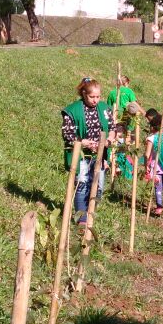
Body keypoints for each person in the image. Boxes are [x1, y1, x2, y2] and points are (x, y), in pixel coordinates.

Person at [61, 78, 117, 224]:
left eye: (98, 97)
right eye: (92, 97)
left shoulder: (104, 109)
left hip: (100, 154)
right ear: (84, 94)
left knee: (98, 186)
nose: (95, 100)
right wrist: (83, 142)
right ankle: (82, 219)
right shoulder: (73, 110)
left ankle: (90, 213)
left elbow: (112, 127)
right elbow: (67, 134)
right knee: (82, 184)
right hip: (81, 154)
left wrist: (109, 139)